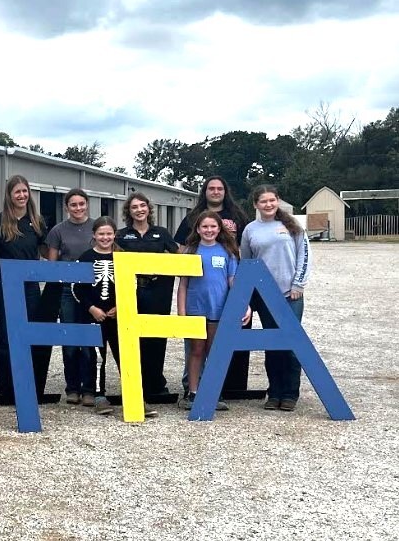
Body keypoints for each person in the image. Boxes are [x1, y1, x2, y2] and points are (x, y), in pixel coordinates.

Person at [174, 176, 250, 392]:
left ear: (220, 229)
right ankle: (192, 391)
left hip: (219, 310)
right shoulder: (191, 250)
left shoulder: (228, 252)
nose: (208, 230)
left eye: (213, 227)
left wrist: (244, 303)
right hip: (195, 309)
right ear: (197, 229)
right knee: (195, 351)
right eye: (204, 226)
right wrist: (181, 311)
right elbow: (183, 284)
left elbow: (233, 280)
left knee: (215, 351)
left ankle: (212, 392)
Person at [241, 185, 311, 412]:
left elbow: (304, 255)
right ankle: (274, 393)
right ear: (255, 205)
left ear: (278, 201)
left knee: (290, 345)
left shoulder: (292, 225)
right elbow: (246, 262)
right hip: (264, 297)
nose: (268, 205)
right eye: (263, 201)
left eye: (272, 200)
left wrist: (298, 284)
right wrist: (247, 296)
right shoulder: (250, 230)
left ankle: (290, 394)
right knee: (273, 345)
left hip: (290, 295)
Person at [115, 192, 178, 418]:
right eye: (134, 207)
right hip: (131, 289)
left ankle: (155, 383)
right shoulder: (121, 236)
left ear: (149, 209)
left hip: (157, 289)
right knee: (132, 336)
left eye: (143, 206)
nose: (139, 210)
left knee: (156, 335)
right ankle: (134, 382)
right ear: (128, 211)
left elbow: (178, 255)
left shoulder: (161, 233)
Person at [0, 175, 48, 401]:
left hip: (31, 286)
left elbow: (47, 251)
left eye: (25, 191)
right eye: (17, 192)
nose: (22, 195)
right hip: (6, 285)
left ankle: (29, 385)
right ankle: (5, 387)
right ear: (10, 195)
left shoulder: (37, 221)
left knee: (30, 334)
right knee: (5, 336)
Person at [46, 188, 96, 407]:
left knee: (88, 340)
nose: (78, 208)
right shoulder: (58, 231)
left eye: (81, 204)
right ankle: (72, 388)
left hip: (91, 290)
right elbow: (52, 264)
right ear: (67, 207)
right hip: (67, 290)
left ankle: (89, 389)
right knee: (69, 340)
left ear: (87, 204)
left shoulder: (96, 228)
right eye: (73, 205)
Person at [73, 217, 120, 416]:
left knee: (123, 354)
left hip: (117, 316)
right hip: (94, 315)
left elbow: (131, 285)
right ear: (94, 235)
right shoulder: (85, 258)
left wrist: (120, 306)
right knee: (95, 356)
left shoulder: (122, 256)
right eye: (101, 234)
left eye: (109, 233)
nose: (105, 237)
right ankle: (96, 393)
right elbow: (77, 288)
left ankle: (134, 393)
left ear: (114, 235)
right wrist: (91, 308)